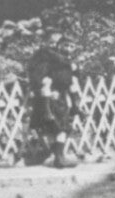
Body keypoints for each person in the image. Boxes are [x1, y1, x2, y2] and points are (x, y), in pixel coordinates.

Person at [25, 33, 81, 167]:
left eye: (71, 46)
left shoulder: (65, 61)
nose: (68, 48)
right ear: (59, 45)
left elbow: (72, 78)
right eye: (65, 45)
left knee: (62, 127)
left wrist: (74, 69)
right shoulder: (51, 58)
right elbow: (44, 77)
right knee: (57, 127)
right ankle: (57, 157)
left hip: (60, 96)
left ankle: (58, 156)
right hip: (50, 97)